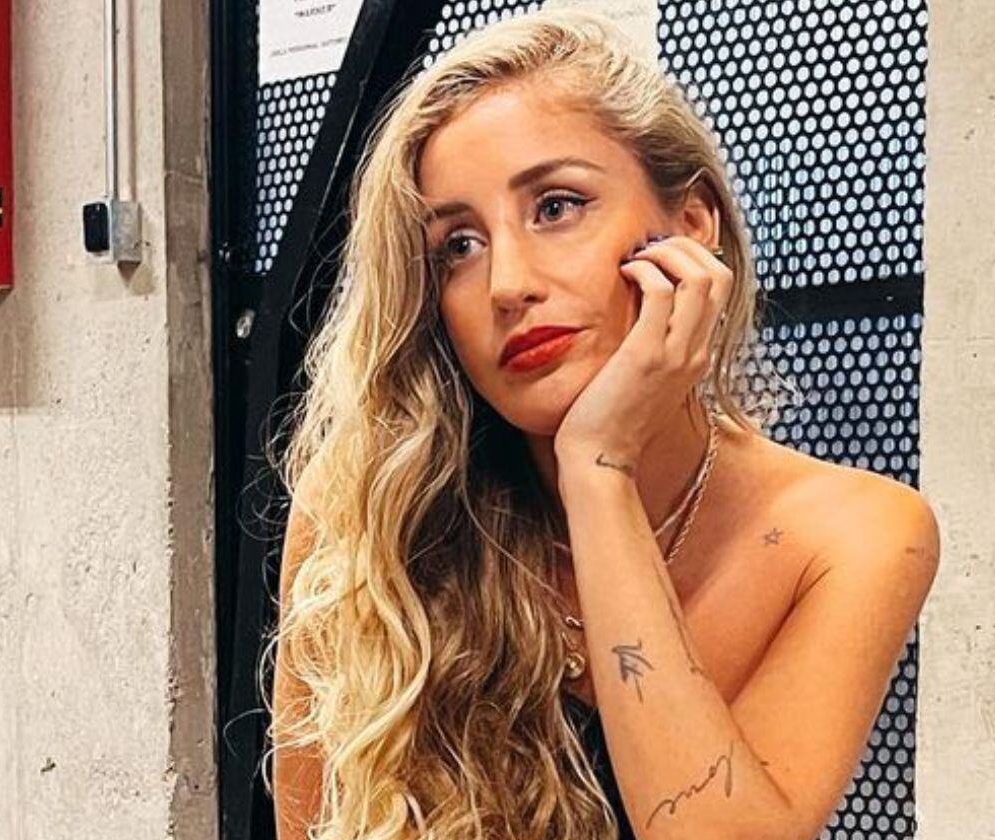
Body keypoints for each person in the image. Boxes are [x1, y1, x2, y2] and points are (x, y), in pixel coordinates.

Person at [263, 8, 940, 840]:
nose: (508, 283)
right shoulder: (373, 508)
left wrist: (599, 469)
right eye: (458, 247)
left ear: (691, 228)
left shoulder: (852, 534)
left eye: (557, 206)